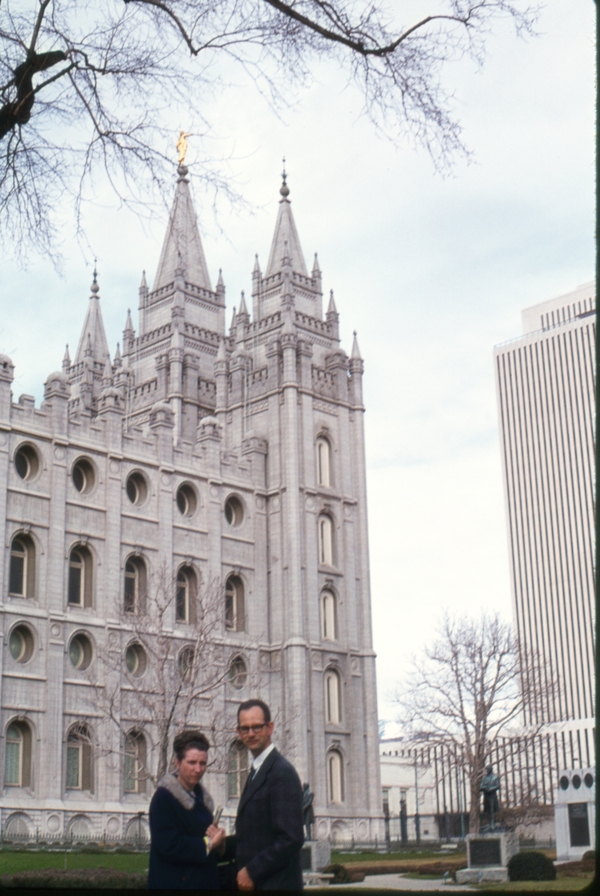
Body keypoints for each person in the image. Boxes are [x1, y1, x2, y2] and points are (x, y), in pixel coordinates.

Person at [235, 699, 304, 891]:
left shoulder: (282, 772)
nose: (250, 733)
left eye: (257, 727)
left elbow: (291, 838)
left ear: (270, 727)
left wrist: (252, 871)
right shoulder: (258, 770)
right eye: (245, 728)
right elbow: (255, 836)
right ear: (238, 732)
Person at [148, 729, 226, 889]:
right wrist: (209, 843)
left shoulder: (203, 801)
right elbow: (169, 846)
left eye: (202, 763)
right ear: (177, 762)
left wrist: (219, 841)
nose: (198, 769)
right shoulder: (163, 798)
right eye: (192, 762)